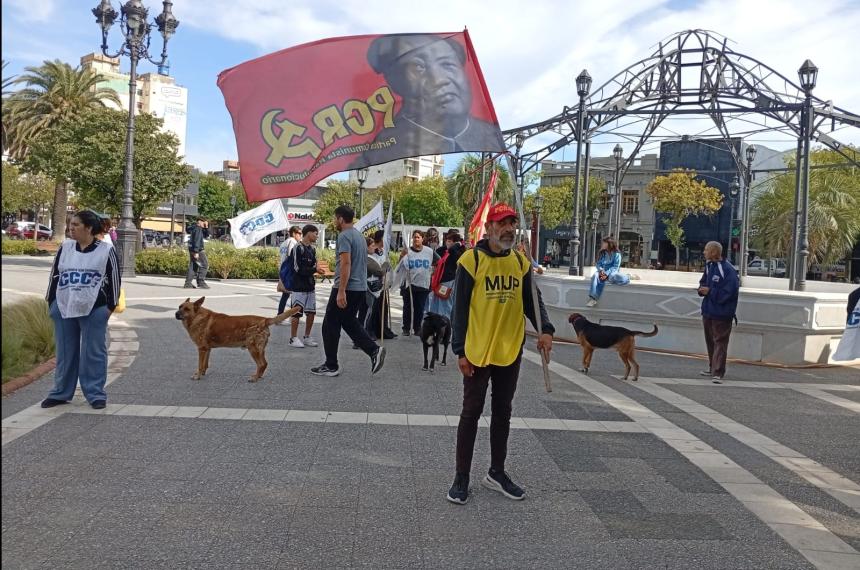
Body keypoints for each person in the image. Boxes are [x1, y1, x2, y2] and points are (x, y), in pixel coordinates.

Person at [446, 203, 555, 505]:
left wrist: (546, 329)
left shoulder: (520, 263)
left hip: (509, 349)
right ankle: (461, 476)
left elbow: (533, 301)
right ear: (489, 227)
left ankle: (496, 471)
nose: (508, 229)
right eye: (502, 223)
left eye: (512, 223)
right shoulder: (471, 260)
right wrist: (459, 350)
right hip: (478, 350)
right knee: (471, 412)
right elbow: (459, 310)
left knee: (503, 411)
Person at [355, 33, 505, 167]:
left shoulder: (493, 137)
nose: (439, 80)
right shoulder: (380, 151)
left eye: (447, 64)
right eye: (418, 67)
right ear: (394, 82)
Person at [41, 210, 120, 410]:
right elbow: (55, 276)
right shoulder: (65, 248)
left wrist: (109, 308)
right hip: (64, 306)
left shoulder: (106, 250)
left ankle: (95, 393)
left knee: (93, 352)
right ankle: (60, 392)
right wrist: (52, 303)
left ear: (89, 228)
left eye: (76, 224)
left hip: (94, 308)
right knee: (65, 351)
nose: (71, 228)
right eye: (70, 224)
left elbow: (115, 281)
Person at [311, 205, 385, 377]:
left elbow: (346, 263)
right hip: (359, 287)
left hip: (347, 287)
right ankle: (373, 351)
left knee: (330, 324)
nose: (334, 221)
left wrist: (341, 290)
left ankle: (331, 365)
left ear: (341, 219)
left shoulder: (344, 236)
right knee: (348, 322)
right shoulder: (359, 236)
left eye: (335, 218)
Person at [697, 241, 740, 384]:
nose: (704, 252)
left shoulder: (728, 269)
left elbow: (730, 292)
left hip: (722, 314)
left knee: (720, 342)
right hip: (708, 311)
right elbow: (703, 282)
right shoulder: (709, 266)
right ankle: (712, 368)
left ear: (714, 252)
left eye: (706, 250)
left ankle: (718, 372)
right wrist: (701, 289)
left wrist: (710, 291)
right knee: (710, 341)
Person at [397, 229, 439, 336]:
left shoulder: (429, 251)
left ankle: (417, 328)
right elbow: (399, 266)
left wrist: (434, 271)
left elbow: (439, 262)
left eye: (418, 237)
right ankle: (406, 328)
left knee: (419, 308)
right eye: (414, 237)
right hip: (408, 284)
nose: (416, 239)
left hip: (423, 284)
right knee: (407, 307)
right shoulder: (407, 251)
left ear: (422, 238)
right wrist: (402, 256)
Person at [288, 224, 320, 348]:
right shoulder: (298, 247)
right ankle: (293, 338)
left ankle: (307, 337)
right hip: (298, 286)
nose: (317, 236)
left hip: (310, 285)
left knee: (311, 312)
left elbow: (313, 265)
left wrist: (315, 268)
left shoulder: (312, 249)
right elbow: (297, 268)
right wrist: (314, 270)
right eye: (315, 233)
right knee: (296, 312)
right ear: (308, 233)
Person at [366, 230, 397, 341]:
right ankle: (371, 331)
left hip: (382, 284)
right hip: (373, 285)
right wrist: (384, 267)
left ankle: (383, 330)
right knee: (373, 309)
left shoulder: (383, 251)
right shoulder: (372, 252)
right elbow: (377, 268)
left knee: (383, 308)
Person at [428, 231, 465, 320]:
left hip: (449, 283)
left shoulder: (457, 252)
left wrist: (458, 244)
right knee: (436, 307)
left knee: (445, 308)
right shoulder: (446, 252)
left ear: (455, 243)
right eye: (446, 241)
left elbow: (452, 250)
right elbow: (438, 251)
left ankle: (446, 326)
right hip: (440, 282)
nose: (447, 243)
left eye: (449, 241)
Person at [586, 237, 630, 307]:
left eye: (604, 243)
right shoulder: (602, 253)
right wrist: (600, 270)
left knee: (614, 277)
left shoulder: (617, 254)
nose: (602, 244)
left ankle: (628, 276)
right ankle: (593, 298)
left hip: (612, 272)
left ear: (609, 244)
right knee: (595, 276)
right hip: (602, 271)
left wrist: (607, 273)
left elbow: (615, 267)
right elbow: (598, 264)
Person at [278, 226, 302, 314]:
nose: (301, 236)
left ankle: (280, 314)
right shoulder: (293, 242)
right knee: (295, 294)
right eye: (299, 233)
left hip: (283, 271)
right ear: (294, 233)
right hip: (290, 272)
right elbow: (292, 257)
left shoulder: (284, 243)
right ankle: (294, 315)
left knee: (285, 294)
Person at [184, 218, 209, 289]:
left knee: (193, 266)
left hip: (192, 249)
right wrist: (196, 251)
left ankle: (188, 283)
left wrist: (206, 227)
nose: (204, 224)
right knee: (204, 265)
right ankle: (201, 282)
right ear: (200, 222)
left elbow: (206, 235)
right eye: (204, 223)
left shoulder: (194, 228)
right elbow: (197, 240)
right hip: (198, 250)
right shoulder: (198, 229)